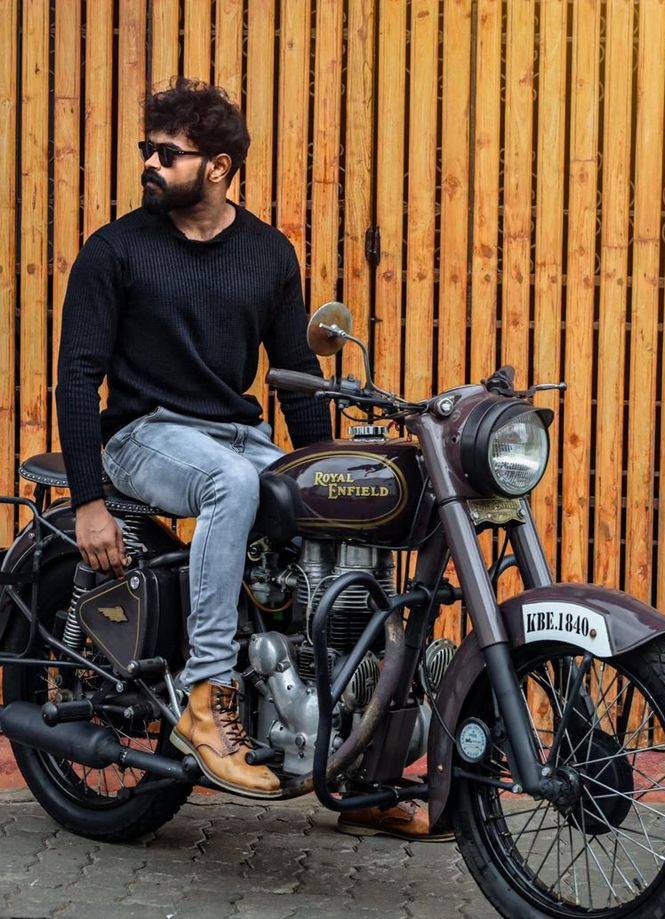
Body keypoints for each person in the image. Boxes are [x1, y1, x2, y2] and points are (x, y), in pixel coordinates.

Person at [56, 77, 445, 840]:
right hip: (144, 434)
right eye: (147, 149)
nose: (149, 163)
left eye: (167, 153)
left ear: (221, 167)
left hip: (236, 434)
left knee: (348, 493)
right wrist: (89, 500)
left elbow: (296, 378)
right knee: (229, 481)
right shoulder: (115, 251)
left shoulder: (268, 253)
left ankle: (361, 760)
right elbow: (76, 376)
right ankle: (207, 696)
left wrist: (329, 466)